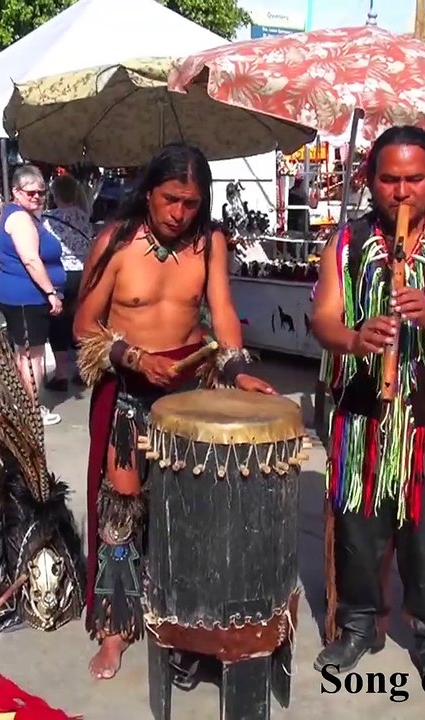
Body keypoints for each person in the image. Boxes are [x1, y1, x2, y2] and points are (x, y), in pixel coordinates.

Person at [73, 142, 277, 680]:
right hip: (127, 395)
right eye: (170, 199)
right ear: (149, 192)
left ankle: (187, 623)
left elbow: (223, 311)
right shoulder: (114, 243)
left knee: (188, 513)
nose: (179, 213)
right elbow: (83, 326)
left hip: (188, 397)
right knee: (121, 512)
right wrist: (133, 356)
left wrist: (235, 370)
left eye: (191, 202)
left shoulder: (210, 244)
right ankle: (115, 627)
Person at [309, 126, 425, 700]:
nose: (401, 191)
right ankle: (359, 624)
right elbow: (323, 320)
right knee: (359, 535)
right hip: (364, 417)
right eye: (389, 179)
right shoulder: (346, 242)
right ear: (371, 181)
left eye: (415, 179)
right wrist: (355, 337)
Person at [0, 165, 65, 426]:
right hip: (26, 295)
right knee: (31, 355)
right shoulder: (20, 219)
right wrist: (50, 292)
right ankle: (31, 410)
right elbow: (32, 260)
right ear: (16, 192)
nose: (37, 197)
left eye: (41, 192)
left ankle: (26, 403)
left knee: (25, 353)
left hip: (21, 295)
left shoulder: (20, 214)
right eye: (31, 192)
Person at [43, 174, 94, 390]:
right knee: (81, 320)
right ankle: (84, 370)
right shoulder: (84, 217)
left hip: (61, 274)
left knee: (59, 322)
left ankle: (61, 374)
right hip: (84, 273)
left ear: (55, 194)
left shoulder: (47, 218)